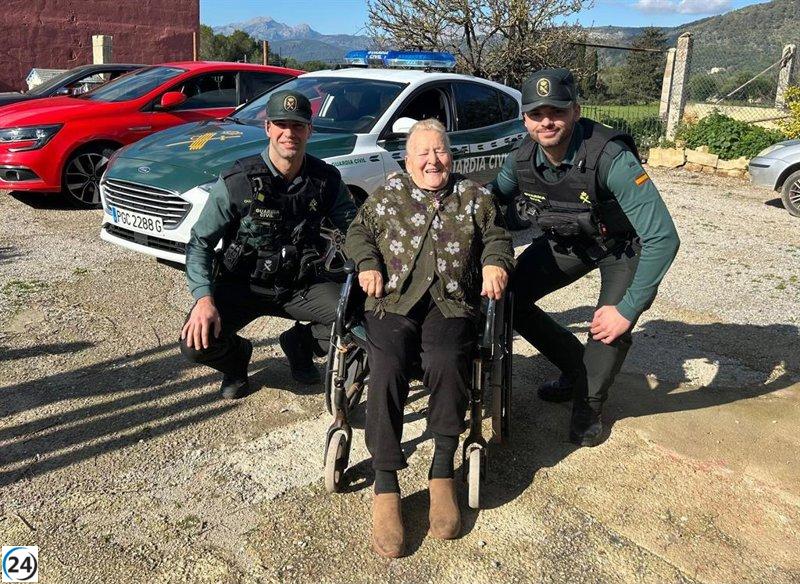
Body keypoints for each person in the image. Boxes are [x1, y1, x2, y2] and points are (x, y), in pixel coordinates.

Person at [345, 119, 515, 558]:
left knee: (445, 358)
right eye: (422, 152)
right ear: (407, 159)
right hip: (393, 301)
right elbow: (357, 232)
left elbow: (498, 236)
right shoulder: (390, 195)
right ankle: (386, 484)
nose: (431, 160)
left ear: (451, 156)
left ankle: (442, 471)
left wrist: (496, 262)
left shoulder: (474, 197)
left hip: (452, 303)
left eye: (439, 151)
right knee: (386, 364)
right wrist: (368, 263)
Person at [490, 68, 680, 447]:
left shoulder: (611, 157)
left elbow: (662, 237)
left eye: (557, 111)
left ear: (575, 110)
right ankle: (577, 371)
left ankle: (589, 404)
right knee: (508, 297)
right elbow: (488, 204)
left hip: (621, 247)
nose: (547, 121)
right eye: (536, 114)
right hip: (569, 241)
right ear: (524, 118)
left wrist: (628, 309)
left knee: (609, 325)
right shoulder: (521, 159)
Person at [179, 90, 357, 398]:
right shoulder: (237, 181)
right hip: (242, 285)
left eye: (298, 126)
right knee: (196, 343)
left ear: (309, 130)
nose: (290, 133)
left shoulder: (326, 180)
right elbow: (200, 243)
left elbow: (356, 230)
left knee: (354, 315)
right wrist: (203, 299)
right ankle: (236, 360)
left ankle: (299, 345)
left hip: (300, 285)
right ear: (268, 129)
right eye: (281, 124)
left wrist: (373, 268)